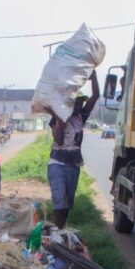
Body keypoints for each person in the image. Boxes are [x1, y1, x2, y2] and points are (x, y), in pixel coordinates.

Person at [48, 69, 99, 228]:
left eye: (80, 102)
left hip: (73, 166)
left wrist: (94, 78)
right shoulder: (58, 118)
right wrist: (60, 124)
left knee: (68, 203)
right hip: (57, 165)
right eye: (75, 102)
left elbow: (96, 96)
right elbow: (59, 140)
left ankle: (61, 230)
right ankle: (56, 232)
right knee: (60, 201)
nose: (79, 105)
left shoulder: (80, 117)